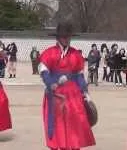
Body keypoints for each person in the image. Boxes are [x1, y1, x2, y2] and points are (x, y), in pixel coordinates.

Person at [39, 21, 95, 150]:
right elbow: (44, 72)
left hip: (73, 94)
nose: (66, 39)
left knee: (73, 123)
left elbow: (80, 76)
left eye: (68, 36)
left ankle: (73, 146)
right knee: (57, 123)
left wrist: (86, 93)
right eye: (63, 36)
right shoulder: (49, 53)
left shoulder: (76, 54)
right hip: (55, 94)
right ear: (58, 37)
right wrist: (50, 83)